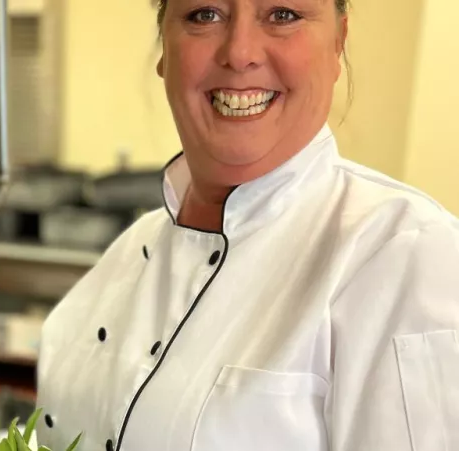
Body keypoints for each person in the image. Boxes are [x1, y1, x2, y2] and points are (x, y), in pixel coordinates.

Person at [35, 0, 459, 449]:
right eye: (204, 14)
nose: (239, 53)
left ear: (338, 43)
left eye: (282, 14)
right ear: (165, 50)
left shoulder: (404, 255)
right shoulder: (128, 252)